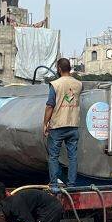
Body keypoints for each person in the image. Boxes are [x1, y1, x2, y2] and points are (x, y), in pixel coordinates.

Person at [43, 58, 82, 192]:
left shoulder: (55, 84)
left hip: (57, 125)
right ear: (70, 68)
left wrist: (45, 123)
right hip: (73, 125)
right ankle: (71, 185)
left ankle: (54, 185)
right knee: (73, 156)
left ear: (59, 69)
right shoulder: (79, 84)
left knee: (53, 156)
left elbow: (50, 105)